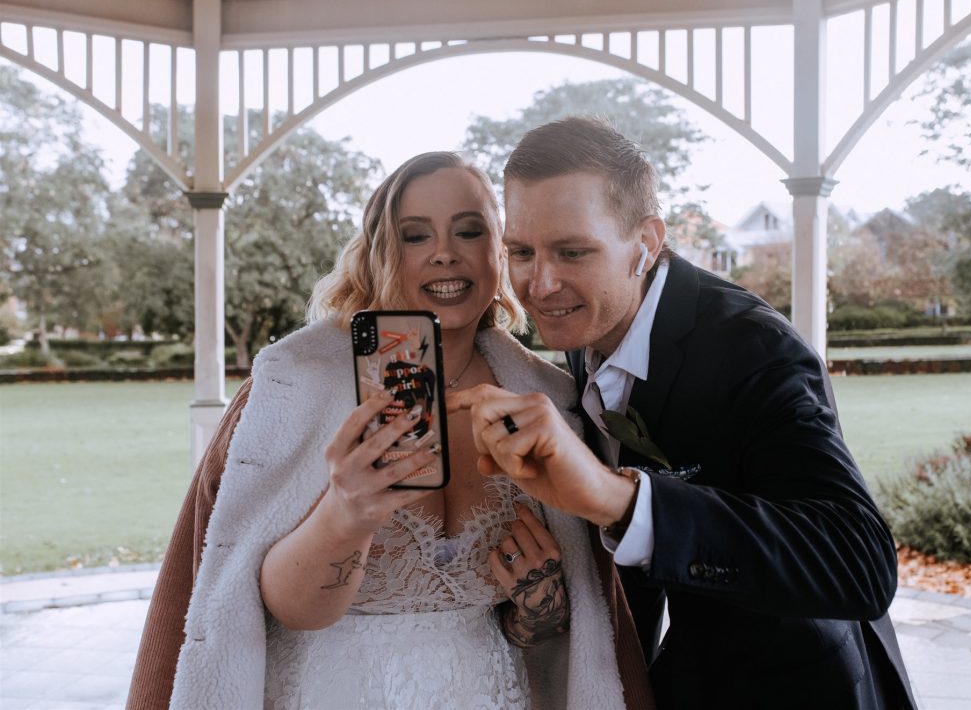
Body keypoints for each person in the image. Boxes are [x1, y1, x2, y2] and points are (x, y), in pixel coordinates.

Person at [126, 151, 652, 709]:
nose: (445, 253)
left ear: (499, 250)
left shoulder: (545, 399)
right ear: (381, 249)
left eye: (469, 231)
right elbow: (275, 608)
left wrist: (538, 610)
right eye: (415, 235)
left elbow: (565, 633)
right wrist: (347, 514)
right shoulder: (294, 386)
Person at [451, 117, 917, 709]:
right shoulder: (580, 325)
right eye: (520, 251)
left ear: (645, 242)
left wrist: (618, 498)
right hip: (682, 677)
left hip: (800, 686)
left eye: (573, 251)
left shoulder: (755, 349)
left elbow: (861, 564)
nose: (539, 285)